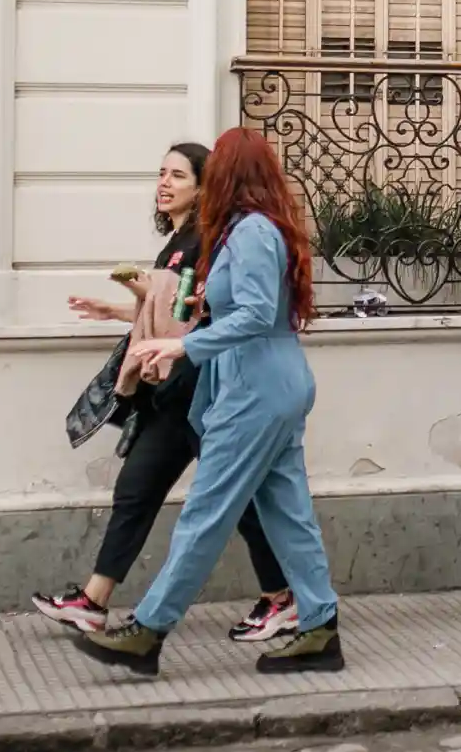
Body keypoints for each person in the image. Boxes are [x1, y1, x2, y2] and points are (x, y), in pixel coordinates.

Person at [71, 128, 343, 677]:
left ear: (231, 174)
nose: (208, 175)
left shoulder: (250, 231)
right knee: (288, 515)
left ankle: (148, 631)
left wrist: (183, 345)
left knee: (206, 513)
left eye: (215, 167)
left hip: (255, 392)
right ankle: (319, 628)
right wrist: (194, 309)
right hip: (272, 384)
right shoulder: (255, 228)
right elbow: (247, 309)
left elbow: (254, 314)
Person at [32, 143, 296, 644]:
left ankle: (282, 598)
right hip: (171, 388)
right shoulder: (177, 242)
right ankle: (93, 602)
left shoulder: (207, 238)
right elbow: (168, 308)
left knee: (233, 496)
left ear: (201, 187)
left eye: (177, 175)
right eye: (161, 173)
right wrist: (117, 308)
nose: (164, 183)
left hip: (196, 388)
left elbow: (195, 313)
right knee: (139, 487)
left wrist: (147, 302)